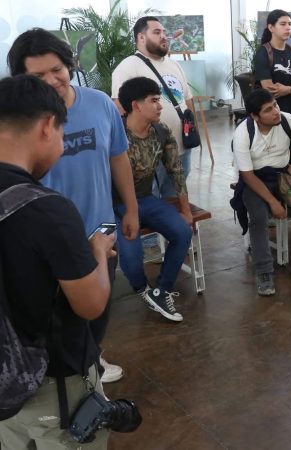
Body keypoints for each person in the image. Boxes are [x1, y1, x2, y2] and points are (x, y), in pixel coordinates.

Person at [8, 27, 136, 384]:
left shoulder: (99, 104)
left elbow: (119, 157)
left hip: (101, 231)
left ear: (69, 65)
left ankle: (92, 359)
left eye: (57, 69)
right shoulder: (19, 124)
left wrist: (131, 208)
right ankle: (61, 380)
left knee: (98, 311)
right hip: (45, 240)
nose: (52, 80)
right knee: (53, 318)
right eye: (38, 76)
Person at [0, 74, 116, 449]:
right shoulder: (48, 210)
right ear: (49, 125)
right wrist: (97, 250)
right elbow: (90, 303)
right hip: (53, 382)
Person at [115, 77, 193, 322]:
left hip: (146, 198)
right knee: (130, 257)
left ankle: (162, 290)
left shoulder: (161, 130)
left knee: (182, 231)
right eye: (154, 101)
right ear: (136, 105)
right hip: (114, 204)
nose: (160, 106)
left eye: (159, 100)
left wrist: (185, 208)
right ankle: (142, 289)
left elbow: (175, 169)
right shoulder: (114, 133)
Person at [232, 89, 291, 296]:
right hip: (255, 180)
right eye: (268, 110)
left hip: (283, 176)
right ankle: (264, 270)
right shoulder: (243, 133)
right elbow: (247, 175)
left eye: (275, 105)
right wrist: (273, 202)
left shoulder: (286, 120)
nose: (275, 112)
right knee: (258, 216)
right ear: (255, 116)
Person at [112, 16, 195, 199]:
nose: (164, 36)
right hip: (150, 154)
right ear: (141, 37)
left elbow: (187, 100)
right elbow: (120, 109)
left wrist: (191, 127)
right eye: (157, 32)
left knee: (174, 198)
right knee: (152, 200)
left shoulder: (174, 65)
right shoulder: (127, 68)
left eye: (164, 32)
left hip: (180, 148)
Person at [253, 9, 291, 121]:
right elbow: (269, 89)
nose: (288, 27)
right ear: (271, 28)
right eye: (283, 24)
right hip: (273, 115)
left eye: (289, 24)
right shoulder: (263, 52)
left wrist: (288, 89)